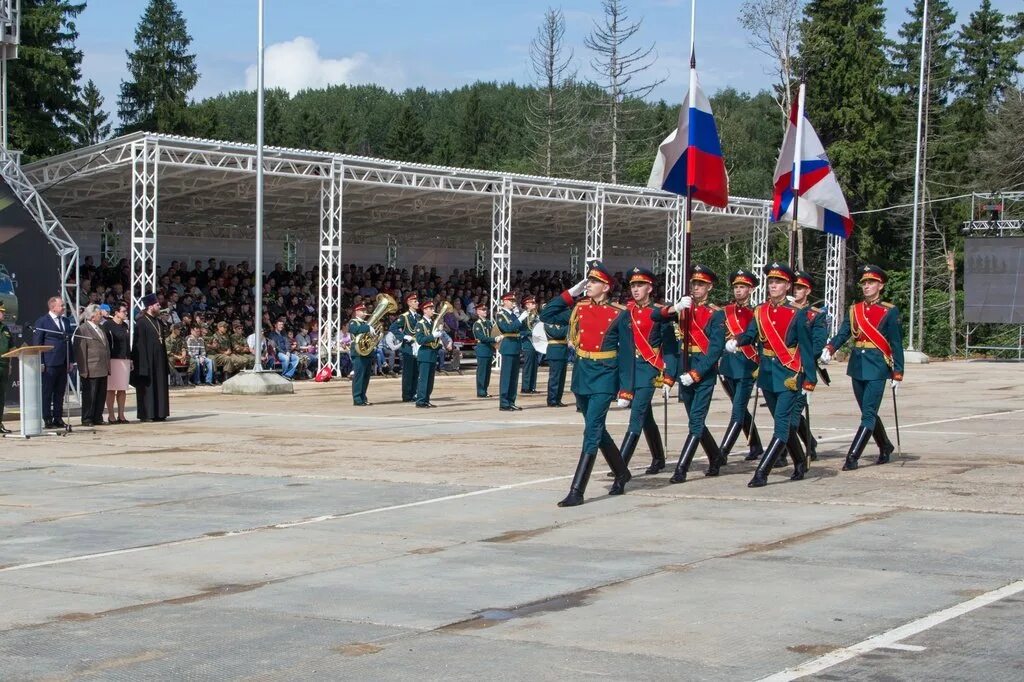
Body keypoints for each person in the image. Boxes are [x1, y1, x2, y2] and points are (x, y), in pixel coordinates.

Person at [541, 260, 631, 507]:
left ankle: (577, 490)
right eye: (588, 281)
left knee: (591, 431)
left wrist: (626, 389)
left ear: (606, 287)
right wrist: (571, 293)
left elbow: (626, 355)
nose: (588, 285)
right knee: (597, 429)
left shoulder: (619, 313)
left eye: (593, 282)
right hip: (583, 373)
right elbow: (546, 314)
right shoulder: (579, 307)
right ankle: (622, 472)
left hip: (605, 375)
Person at [725, 263, 816, 487]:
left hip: (789, 375)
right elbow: (751, 334)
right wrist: (737, 341)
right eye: (771, 282)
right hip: (767, 373)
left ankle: (761, 472)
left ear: (787, 286)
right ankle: (799, 463)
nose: (773, 285)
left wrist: (810, 380)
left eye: (778, 282)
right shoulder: (760, 311)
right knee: (782, 423)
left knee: (781, 425)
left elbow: (805, 347)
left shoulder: (797, 313)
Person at [819, 264, 904, 470]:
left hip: (877, 366)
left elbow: (896, 343)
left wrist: (898, 372)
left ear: (880, 285)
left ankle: (853, 455)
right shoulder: (854, 309)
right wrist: (830, 348)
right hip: (857, 365)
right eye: (864, 283)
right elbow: (844, 333)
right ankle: (885, 445)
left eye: (871, 283)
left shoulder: (889, 311)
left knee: (867, 413)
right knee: (869, 411)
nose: (867, 287)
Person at [657, 265, 725, 482]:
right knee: (694, 419)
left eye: (701, 284)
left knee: (695, 421)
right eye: (694, 283)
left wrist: (697, 373)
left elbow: (715, 349)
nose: (696, 288)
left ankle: (681, 468)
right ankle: (715, 456)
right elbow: (655, 317)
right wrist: (674, 308)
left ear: (709, 287)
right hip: (684, 365)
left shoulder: (716, 313)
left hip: (703, 371)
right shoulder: (683, 308)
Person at [614, 266, 671, 476]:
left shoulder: (657, 312)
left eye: (640, 285)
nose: (636, 289)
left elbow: (670, 347)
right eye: (633, 285)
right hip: (630, 369)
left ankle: (620, 463)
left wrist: (669, 377)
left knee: (636, 415)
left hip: (649, 368)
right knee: (646, 416)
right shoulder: (626, 312)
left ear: (649, 287)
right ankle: (658, 457)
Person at [717, 269, 764, 463]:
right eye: (736, 287)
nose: (738, 291)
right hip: (728, 366)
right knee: (741, 409)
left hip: (747, 364)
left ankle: (721, 453)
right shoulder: (725, 311)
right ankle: (756, 445)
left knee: (737, 411)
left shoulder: (756, 312)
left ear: (751, 289)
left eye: (742, 287)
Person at [789, 270, 829, 461]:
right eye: (794, 287)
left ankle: (784, 452)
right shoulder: (784, 310)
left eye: (800, 288)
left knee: (794, 413)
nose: (796, 291)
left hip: (803, 369)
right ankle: (809, 442)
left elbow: (818, 344)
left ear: (808, 291)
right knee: (785, 412)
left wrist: (801, 357)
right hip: (783, 369)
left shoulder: (815, 315)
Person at [32, 296, 73, 428]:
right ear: (53, 307)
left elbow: (69, 343)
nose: (63, 308)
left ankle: (58, 417)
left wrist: (70, 360)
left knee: (60, 392)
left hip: (63, 361)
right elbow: (37, 343)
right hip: (49, 362)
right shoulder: (42, 322)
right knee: (47, 392)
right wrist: (40, 362)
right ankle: (47, 418)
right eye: (61, 305)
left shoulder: (66, 321)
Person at [131, 293, 170, 422]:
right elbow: (139, 345)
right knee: (148, 388)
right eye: (157, 305)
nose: (159, 307)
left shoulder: (158, 321)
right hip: (146, 361)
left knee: (160, 385)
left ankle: (160, 412)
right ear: (150, 306)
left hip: (159, 361)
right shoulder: (141, 322)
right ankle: (147, 413)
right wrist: (141, 364)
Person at [73, 304, 110, 427]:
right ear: (93, 316)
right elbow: (80, 351)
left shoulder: (101, 328)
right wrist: (83, 369)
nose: (101, 316)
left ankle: (97, 417)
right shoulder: (83, 329)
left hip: (103, 367)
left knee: (100, 394)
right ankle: (87, 418)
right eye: (99, 314)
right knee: (90, 395)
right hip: (91, 367)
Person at [495, 292, 528, 411]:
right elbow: (508, 328)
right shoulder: (501, 315)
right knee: (506, 376)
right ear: (504, 301)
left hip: (515, 346)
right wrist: (520, 318)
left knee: (514, 377)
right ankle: (504, 403)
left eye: (514, 301)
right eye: (511, 301)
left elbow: (522, 329)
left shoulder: (514, 315)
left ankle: (511, 401)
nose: (514, 303)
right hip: (508, 346)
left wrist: (522, 318)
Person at [389, 293, 420, 402]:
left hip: (417, 347)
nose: (417, 303)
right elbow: (393, 328)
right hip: (407, 348)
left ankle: (414, 393)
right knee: (408, 373)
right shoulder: (404, 316)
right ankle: (407, 395)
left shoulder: (418, 316)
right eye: (414, 301)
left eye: (417, 301)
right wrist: (403, 336)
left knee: (416, 372)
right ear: (409, 303)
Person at [102, 303, 131, 423]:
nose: (126, 313)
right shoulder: (108, 325)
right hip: (113, 359)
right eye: (123, 311)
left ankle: (121, 414)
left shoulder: (125, 325)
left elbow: (127, 342)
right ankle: (111, 415)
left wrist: (130, 357)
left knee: (122, 389)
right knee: (111, 389)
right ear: (117, 313)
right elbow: (106, 343)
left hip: (124, 360)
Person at [414, 301, 443, 408]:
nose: (433, 311)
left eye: (433, 308)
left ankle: (426, 399)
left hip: (432, 354)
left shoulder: (432, 323)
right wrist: (433, 336)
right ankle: (421, 401)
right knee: (424, 379)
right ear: (425, 310)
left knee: (430, 381)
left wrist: (439, 338)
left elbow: (434, 340)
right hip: (425, 354)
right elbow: (420, 340)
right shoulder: (420, 323)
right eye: (430, 309)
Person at [542, 301, 570, 408]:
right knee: (555, 377)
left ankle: (558, 399)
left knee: (562, 378)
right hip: (554, 351)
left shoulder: (563, 321)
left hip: (563, 350)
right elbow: (557, 333)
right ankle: (552, 400)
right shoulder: (549, 321)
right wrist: (569, 327)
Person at [348, 303, 373, 406]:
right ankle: (357, 398)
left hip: (367, 352)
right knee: (359, 376)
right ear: (357, 312)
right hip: (358, 352)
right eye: (362, 311)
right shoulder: (354, 322)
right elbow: (354, 330)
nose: (365, 312)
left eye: (365, 310)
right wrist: (368, 328)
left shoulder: (366, 323)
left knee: (366, 377)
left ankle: (363, 397)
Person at [471, 306, 499, 398]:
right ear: (478, 312)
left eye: (485, 310)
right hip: (482, 349)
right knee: (482, 372)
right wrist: (494, 339)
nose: (485, 311)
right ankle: (481, 391)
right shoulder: (477, 324)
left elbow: (493, 332)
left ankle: (485, 389)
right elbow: (481, 337)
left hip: (489, 349)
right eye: (482, 310)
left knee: (487, 372)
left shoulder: (488, 322)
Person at [520, 295, 540, 394]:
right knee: (528, 365)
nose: (534, 305)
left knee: (534, 365)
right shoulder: (524, 316)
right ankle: (525, 387)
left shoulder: (536, 315)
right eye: (532, 303)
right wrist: (531, 333)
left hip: (536, 342)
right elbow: (520, 331)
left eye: (534, 303)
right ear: (527, 305)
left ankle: (532, 386)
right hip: (528, 342)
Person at [0, 300, 13, 433]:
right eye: (1, 312)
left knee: (1, 397)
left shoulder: (5, 329)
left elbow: (11, 348)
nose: (3, 314)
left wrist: (10, 365)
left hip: (3, 366)